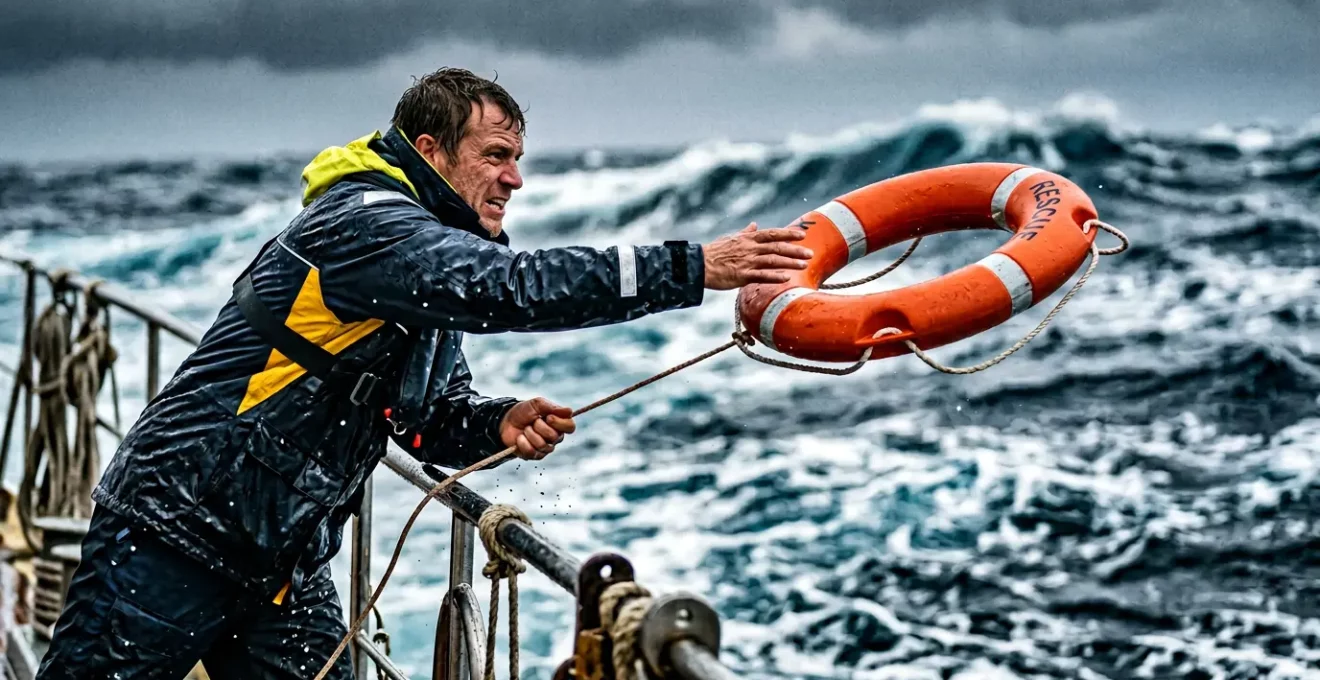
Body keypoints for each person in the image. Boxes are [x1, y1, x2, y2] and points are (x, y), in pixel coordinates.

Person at [35, 68, 813, 679]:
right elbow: (507, 288)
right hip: (174, 534)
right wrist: (690, 266)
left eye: (519, 161)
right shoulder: (369, 222)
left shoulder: (424, 261)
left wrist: (493, 421)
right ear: (431, 152)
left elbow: (421, 417)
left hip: (280, 563)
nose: (515, 180)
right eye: (496, 157)